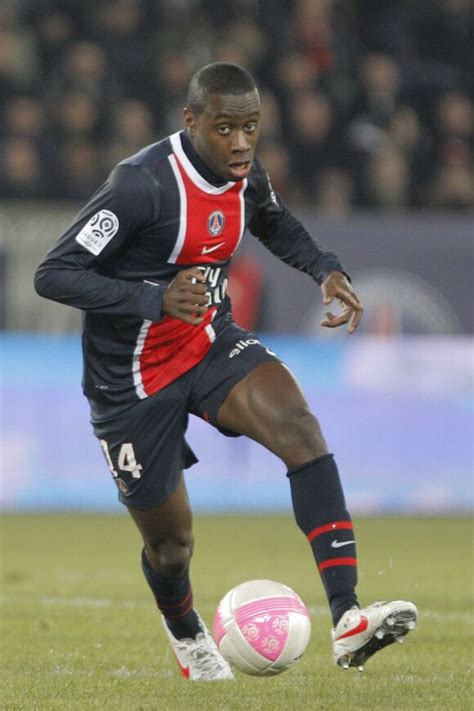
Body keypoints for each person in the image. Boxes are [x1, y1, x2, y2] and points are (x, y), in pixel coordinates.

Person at [34, 62, 417, 680]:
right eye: (224, 128)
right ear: (190, 122)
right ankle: (187, 635)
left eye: (251, 127)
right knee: (171, 545)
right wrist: (151, 298)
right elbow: (53, 273)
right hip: (130, 381)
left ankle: (348, 618)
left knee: (300, 428)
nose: (241, 143)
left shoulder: (243, 173)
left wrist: (325, 268)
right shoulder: (140, 185)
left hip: (209, 343)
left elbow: (273, 220)